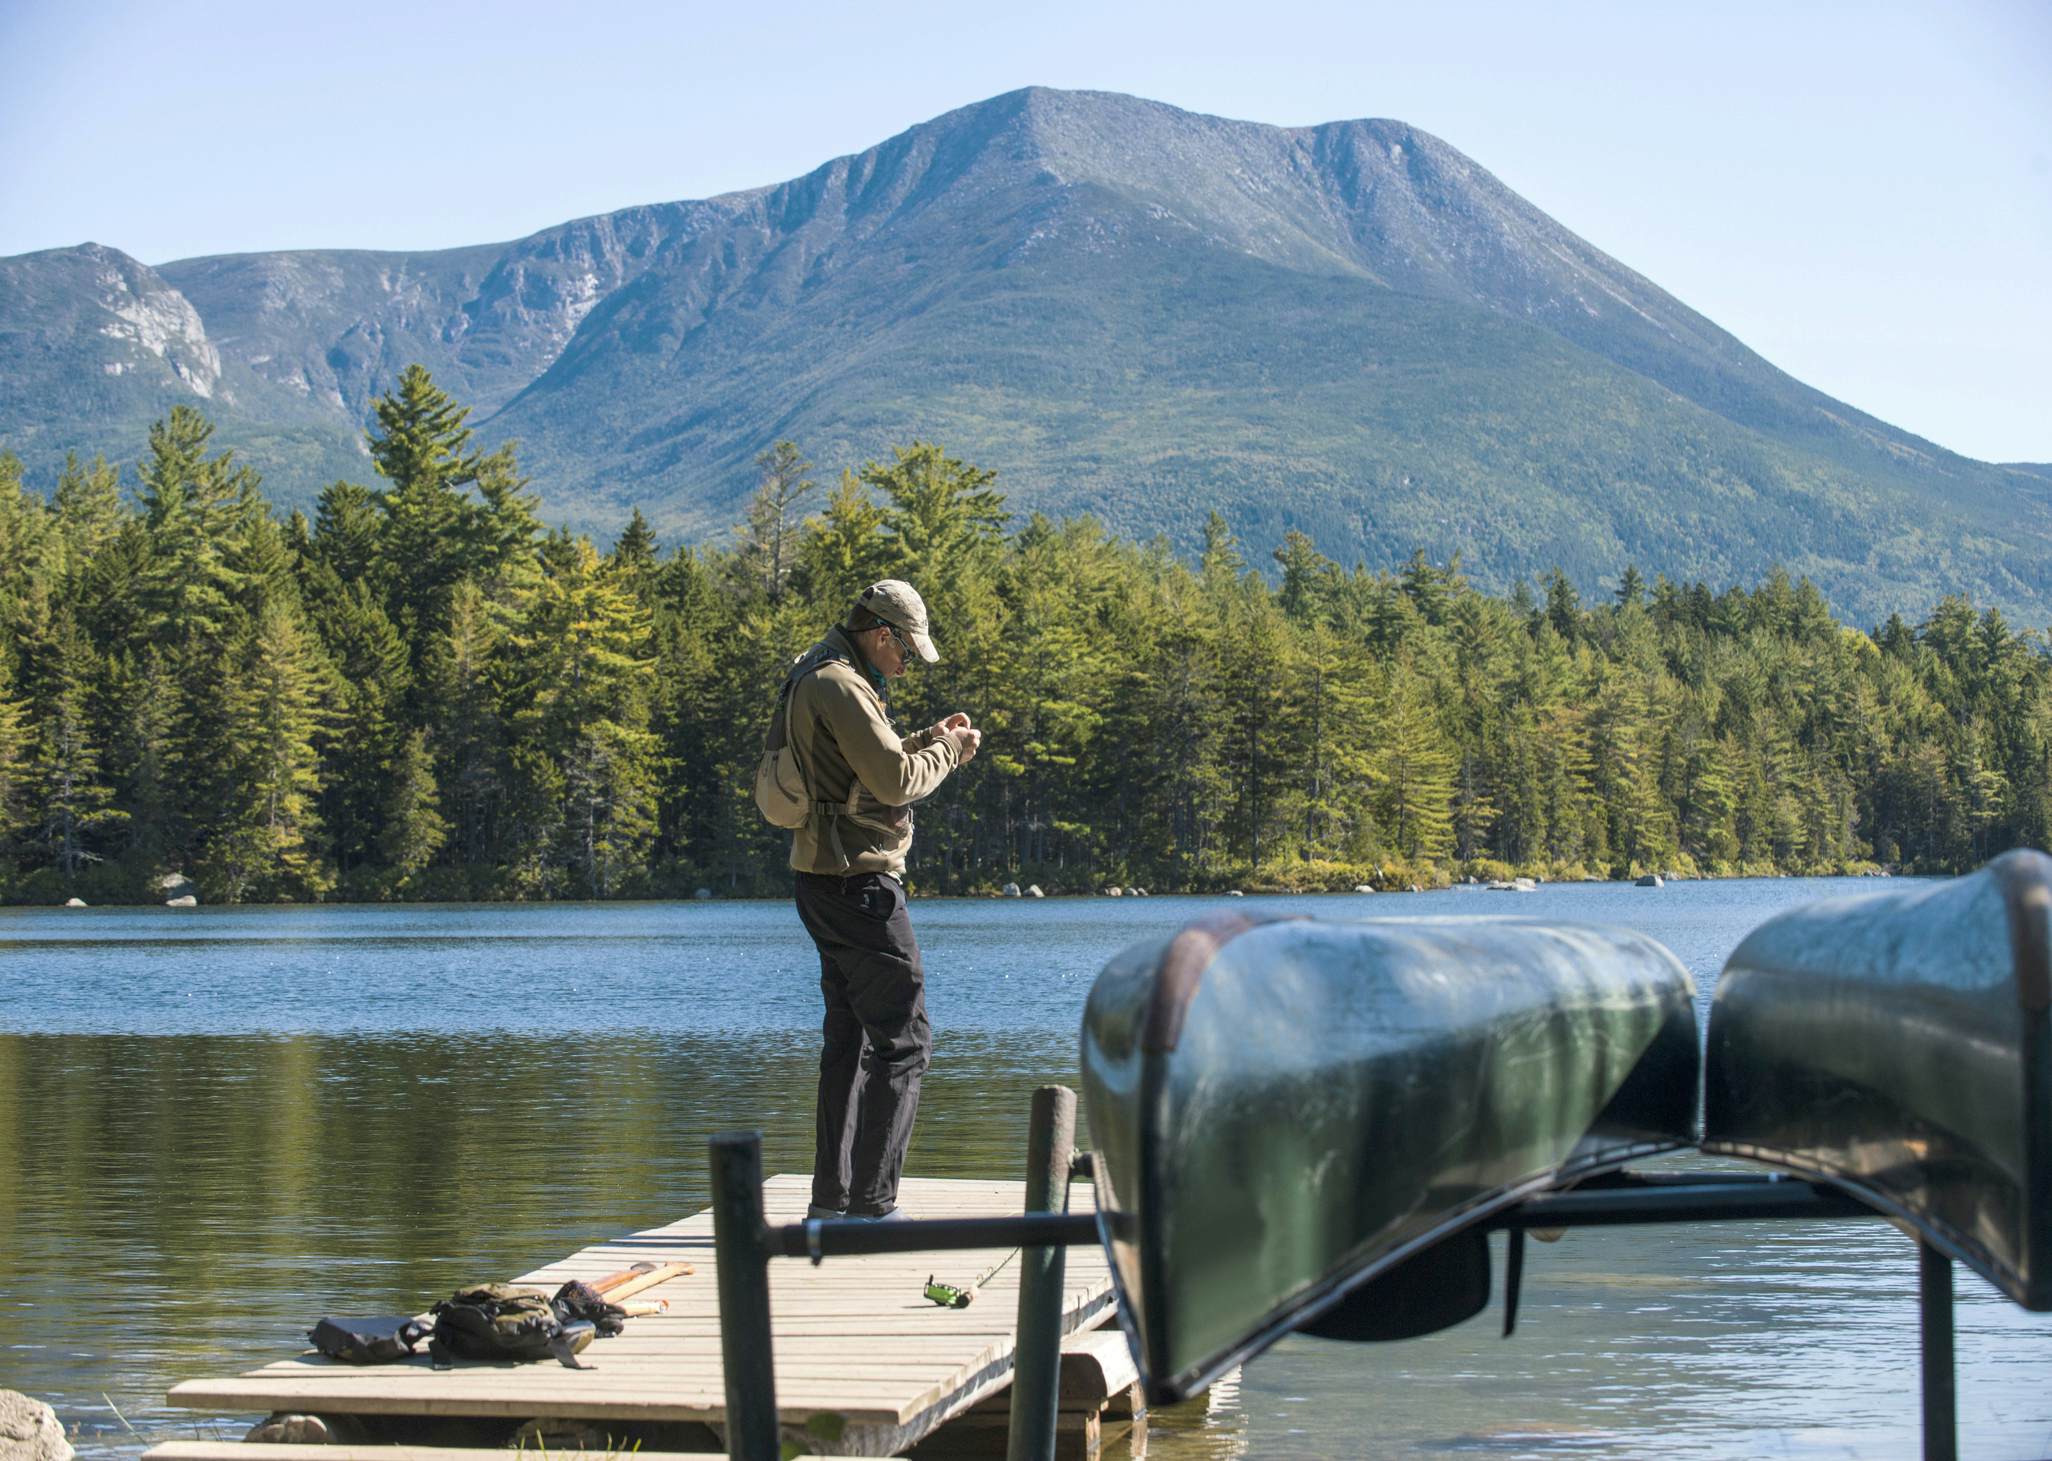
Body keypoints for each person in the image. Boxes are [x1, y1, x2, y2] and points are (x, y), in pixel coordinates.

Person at [785, 579, 981, 1221]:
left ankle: (833, 1198)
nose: (907, 663)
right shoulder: (842, 683)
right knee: (905, 1039)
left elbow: (856, 768)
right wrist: (949, 750)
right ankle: (873, 1205)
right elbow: (895, 783)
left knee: (849, 1038)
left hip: (820, 879)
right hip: (860, 885)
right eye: (906, 650)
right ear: (881, 634)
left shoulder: (816, 669)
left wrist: (926, 734)